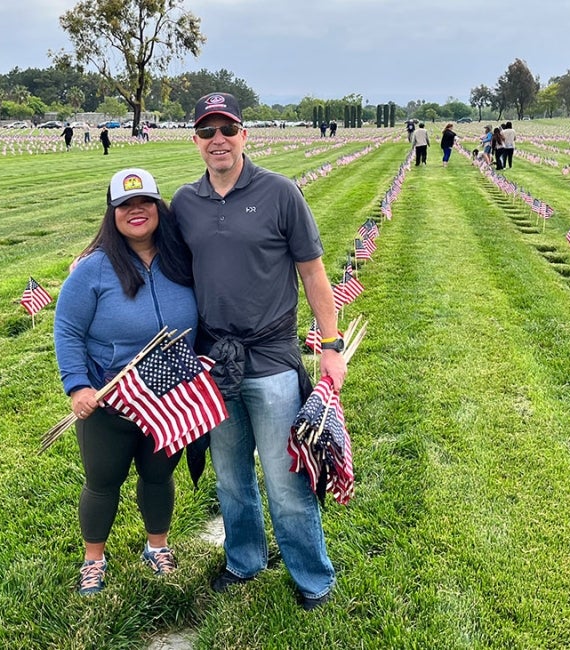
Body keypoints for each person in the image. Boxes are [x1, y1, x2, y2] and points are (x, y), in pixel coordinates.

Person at [172, 92, 347, 611]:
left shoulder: (279, 193)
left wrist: (331, 343)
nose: (217, 140)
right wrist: (89, 260)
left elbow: (313, 272)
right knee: (230, 476)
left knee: (285, 476)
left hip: (271, 359)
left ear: (245, 135)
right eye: (207, 131)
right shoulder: (185, 202)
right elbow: (145, 244)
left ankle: (312, 576)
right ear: (196, 141)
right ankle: (244, 560)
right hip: (213, 363)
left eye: (227, 129)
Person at [54, 167, 197, 596]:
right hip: (110, 398)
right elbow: (67, 329)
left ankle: (157, 548)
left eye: (145, 202)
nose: (137, 211)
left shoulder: (182, 259)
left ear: (159, 208)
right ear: (112, 214)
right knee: (102, 480)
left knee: (158, 476)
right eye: (125, 205)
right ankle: (93, 560)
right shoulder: (93, 269)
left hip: (169, 396)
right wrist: (77, 385)